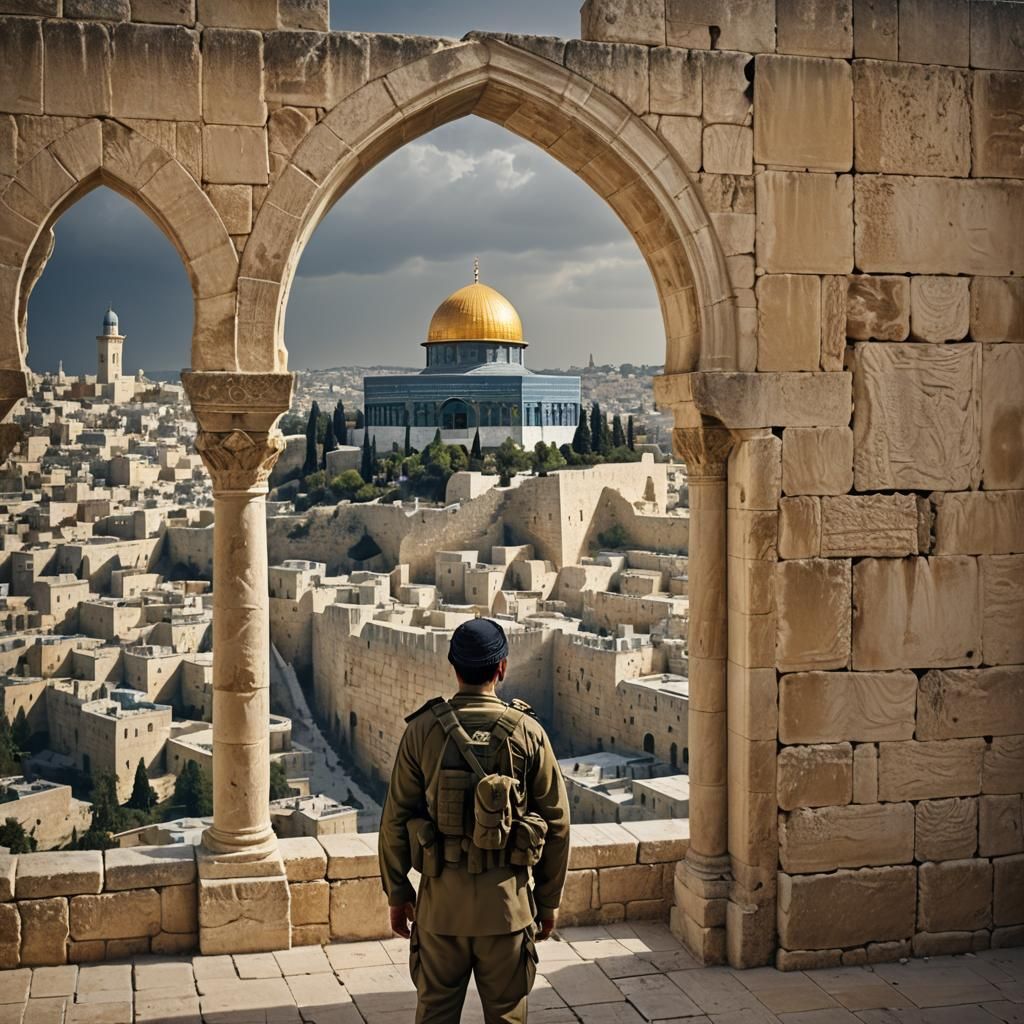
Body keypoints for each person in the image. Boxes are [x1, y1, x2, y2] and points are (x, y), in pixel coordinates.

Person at [378, 617, 571, 1023]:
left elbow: (396, 818)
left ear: (453, 666)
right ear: (502, 668)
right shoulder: (529, 733)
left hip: (440, 909)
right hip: (507, 910)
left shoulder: (422, 731)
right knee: (507, 1016)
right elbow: (556, 824)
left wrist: (398, 892)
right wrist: (548, 900)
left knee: (435, 1014)